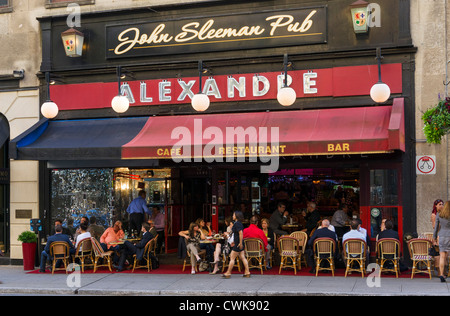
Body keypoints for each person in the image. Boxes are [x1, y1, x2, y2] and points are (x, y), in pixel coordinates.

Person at [222, 211, 250, 278]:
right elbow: (237, 234)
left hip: (238, 243)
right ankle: (247, 271)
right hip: (239, 242)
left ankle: (228, 272)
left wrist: (239, 243)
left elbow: (240, 233)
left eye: (233, 215)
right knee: (243, 257)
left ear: (236, 216)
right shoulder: (239, 223)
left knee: (232, 258)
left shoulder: (237, 224)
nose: (232, 216)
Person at [433, 200, 450, 282]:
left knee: (442, 257)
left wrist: (434, 237)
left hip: (442, 236)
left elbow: (436, 227)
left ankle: (442, 274)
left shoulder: (439, 214)